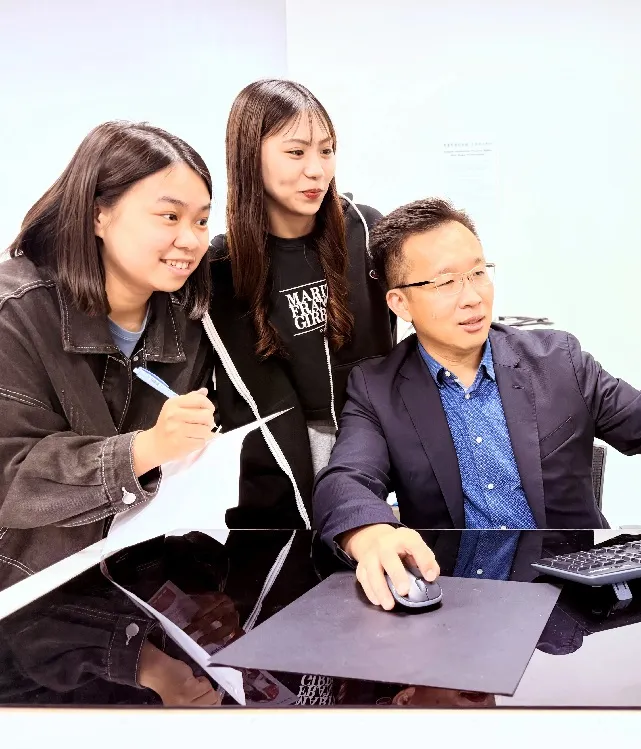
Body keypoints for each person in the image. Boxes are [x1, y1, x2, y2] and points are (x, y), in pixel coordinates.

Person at [313, 198, 641, 610]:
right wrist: (370, 532)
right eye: (446, 282)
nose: (473, 296)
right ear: (400, 302)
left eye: (478, 272)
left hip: (572, 599)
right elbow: (346, 479)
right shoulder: (377, 387)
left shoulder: (557, 361)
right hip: (452, 602)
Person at [0, 121, 219, 703]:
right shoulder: (12, 313)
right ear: (99, 214)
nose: (191, 239)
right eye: (169, 216)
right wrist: (144, 450)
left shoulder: (188, 319)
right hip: (23, 613)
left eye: (202, 221)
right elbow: (10, 477)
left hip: (139, 598)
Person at [204, 79, 395, 532]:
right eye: (296, 152)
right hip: (280, 463)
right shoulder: (221, 268)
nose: (316, 170)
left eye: (327, 151)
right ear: (249, 156)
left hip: (373, 441)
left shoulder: (367, 229)